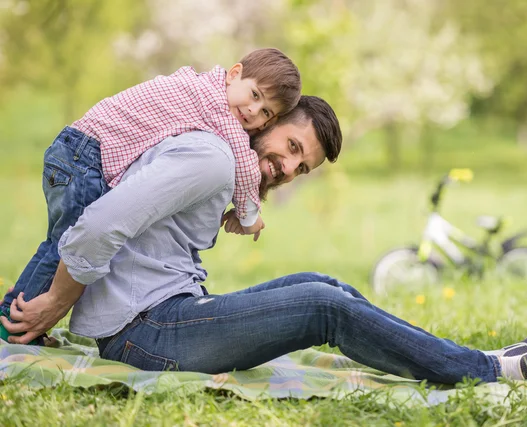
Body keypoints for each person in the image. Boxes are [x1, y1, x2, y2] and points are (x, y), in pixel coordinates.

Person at [1, 96, 527, 384]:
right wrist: (56, 300)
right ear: (268, 119)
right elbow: (97, 224)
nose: (286, 168)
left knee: (321, 284)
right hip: (143, 333)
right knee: (324, 306)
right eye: (293, 149)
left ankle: (480, 357)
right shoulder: (210, 159)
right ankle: (492, 372)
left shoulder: (218, 158)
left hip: (166, 313)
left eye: (301, 168)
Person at [0, 48, 302, 343]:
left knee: (56, 244)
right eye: (254, 95)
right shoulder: (216, 104)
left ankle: (16, 323)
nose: (252, 112)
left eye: (265, 112)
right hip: (85, 157)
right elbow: (246, 163)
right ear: (234, 74)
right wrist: (249, 216)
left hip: (74, 150)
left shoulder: (200, 86)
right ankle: (14, 328)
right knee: (65, 248)